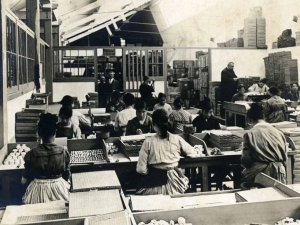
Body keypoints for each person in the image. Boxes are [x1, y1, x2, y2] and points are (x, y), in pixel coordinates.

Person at [136, 109, 195, 195]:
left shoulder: (148, 142)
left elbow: (141, 170)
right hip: (175, 184)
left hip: (154, 183)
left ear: (154, 124)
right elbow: (192, 153)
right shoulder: (176, 138)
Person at [22, 113, 70, 204]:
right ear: (55, 132)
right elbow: (66, 176)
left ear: (39, 133)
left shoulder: (31, 154)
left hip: (37, 193)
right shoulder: (63, 152)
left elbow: (23, 181)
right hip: (60, 192)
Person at [241, 103, 287, 184]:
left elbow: (246, 161)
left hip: (260, 173)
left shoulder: (250, 134)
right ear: (264, 117)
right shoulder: (279, 132)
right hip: (279, 173)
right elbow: (285, 157)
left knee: (241, 177)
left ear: (249, 120)